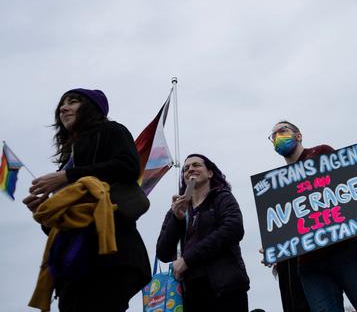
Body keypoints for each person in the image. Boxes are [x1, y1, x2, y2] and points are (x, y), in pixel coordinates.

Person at [24, 88, 151, 311]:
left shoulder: (111, 130)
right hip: (74, 263)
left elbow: (128, 167)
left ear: (92, 108)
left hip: (111, 254)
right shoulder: (67, 160)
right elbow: (67, 223)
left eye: (73, 102)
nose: (64, 108)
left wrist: (67, 176)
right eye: (62, 105)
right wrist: (46, 212)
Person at [269, 121, 357, 312]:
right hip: (310, 264)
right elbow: (286, 221)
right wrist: (276, 243)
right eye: (273, 136)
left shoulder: (321, 152)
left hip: (348, 250)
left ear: (298, 135)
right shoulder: (278, 184)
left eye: (282, 131)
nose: (277, 137)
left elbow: (353, 187)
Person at [157, 154, 250, 311]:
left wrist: (188, 259)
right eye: (186, 168)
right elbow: (163, 252)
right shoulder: (176, 210)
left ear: (210, 173)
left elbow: (233, 229)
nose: (190, 169)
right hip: (189, 294)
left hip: (225, 289)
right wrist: (177, 219)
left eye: (196, 165)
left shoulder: (222, 198)